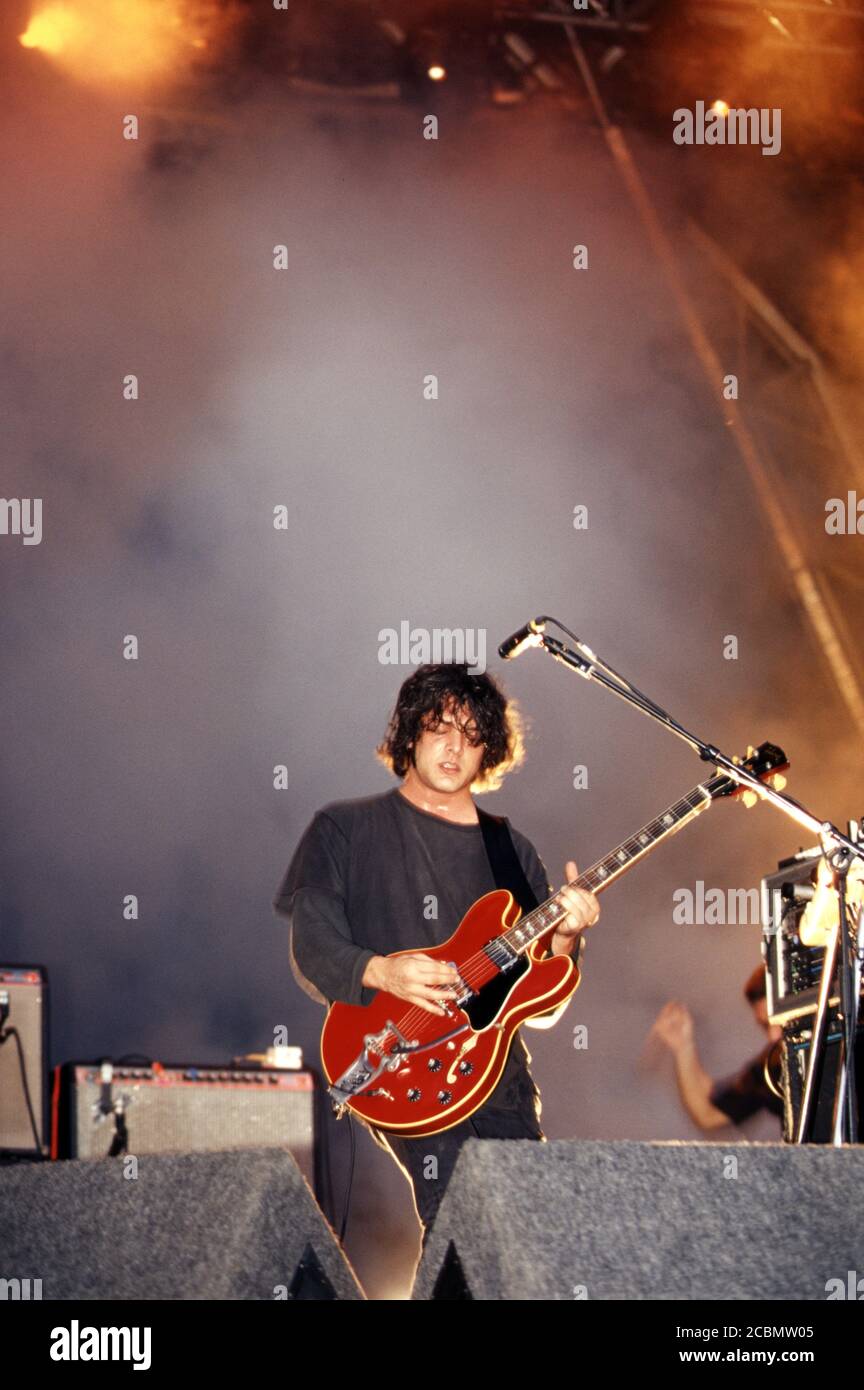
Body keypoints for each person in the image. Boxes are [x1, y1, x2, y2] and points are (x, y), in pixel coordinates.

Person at [274, 662, 600, 1245]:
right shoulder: (344, 828)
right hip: (397, 1051)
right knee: (464, 1216)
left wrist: (567, 937)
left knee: (529, 1236)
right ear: (409, 735)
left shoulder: (511, 849)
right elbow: (312, 944)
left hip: (500, 1077)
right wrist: (382, 971)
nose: (455, 747)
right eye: (439, 727)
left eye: (473, 736)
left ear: (489, 753)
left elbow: (542, 1001)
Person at [650, 965, 784, 1130]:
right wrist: (683, 1046)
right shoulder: (771, 1066)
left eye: (781, 1022)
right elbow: (710, 1111)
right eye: (765, 1025)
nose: (772, 1036)